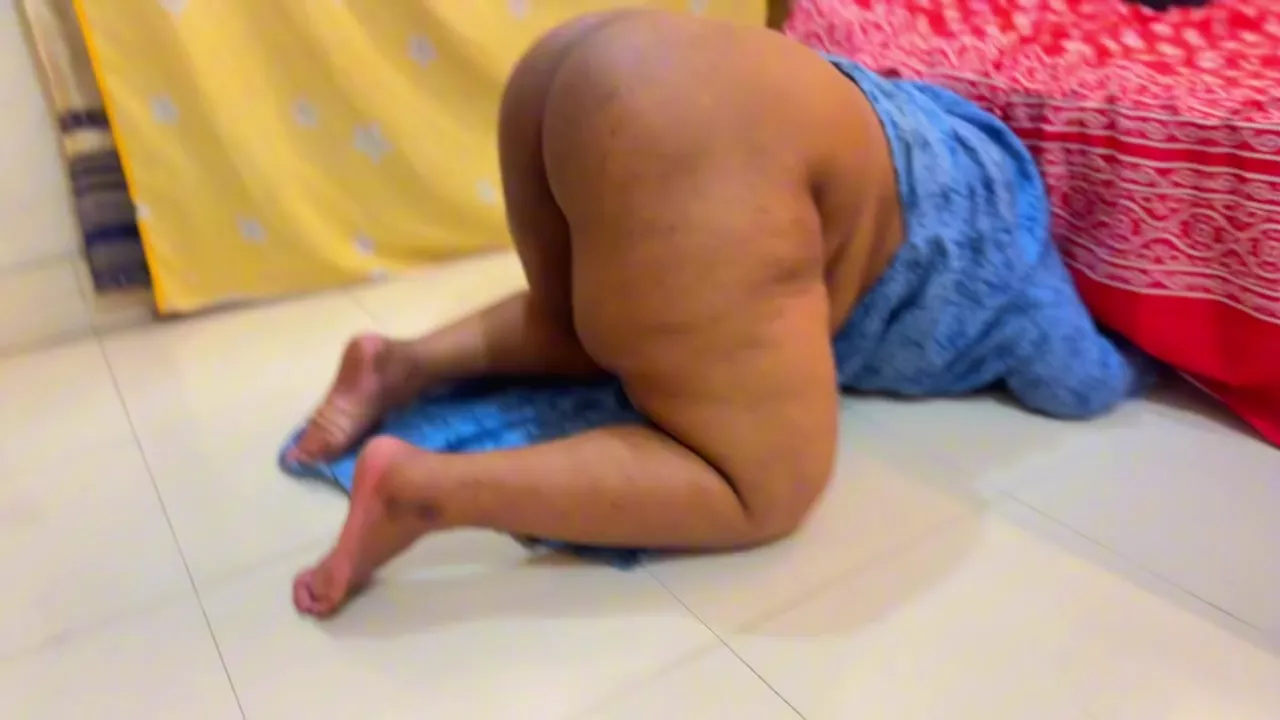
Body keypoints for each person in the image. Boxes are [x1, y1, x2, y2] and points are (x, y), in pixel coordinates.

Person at [288, 9, 1149, 617]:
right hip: (695, 131)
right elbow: (1073, 383)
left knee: (583, 320)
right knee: (762, 488)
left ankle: (401, 361)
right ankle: (425, 492)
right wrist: (1129, 365)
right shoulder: (1023, 265)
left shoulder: (933, 119)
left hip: (580, 59)